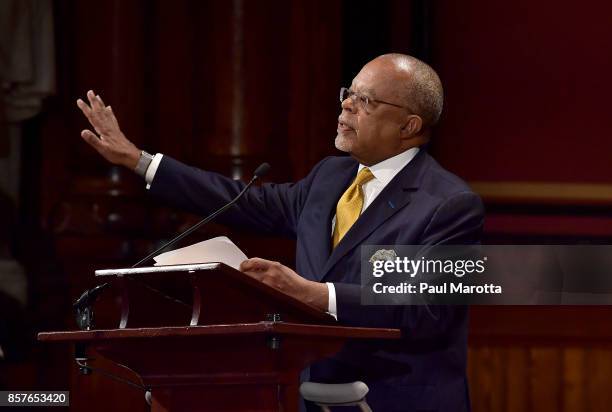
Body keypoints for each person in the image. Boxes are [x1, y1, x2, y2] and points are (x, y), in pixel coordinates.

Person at [77, 53, 484, 412]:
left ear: (408, 125)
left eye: (366, 101)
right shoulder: (330, 177)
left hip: (396, 399)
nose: (345, 105)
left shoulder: (447, 204)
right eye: (349, 92)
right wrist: (140, 161)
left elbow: (428, 308)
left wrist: (312, 293)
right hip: (313, 395)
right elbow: (243, 201)